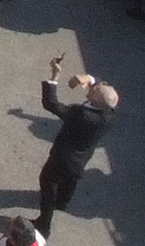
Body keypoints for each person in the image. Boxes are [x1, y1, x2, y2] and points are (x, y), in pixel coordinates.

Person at [35, 59, 118, 231]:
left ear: (93, 98)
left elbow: (51, 104)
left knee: (48, 183)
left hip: (62, 158)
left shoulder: (81, 115)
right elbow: (102, 95)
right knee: (70, 181)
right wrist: (90, 80)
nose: (94, 86)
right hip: (81, 158)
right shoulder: (109, 113)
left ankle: (44, 224)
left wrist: (55, 76)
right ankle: (62, 202)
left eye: (94, 89)